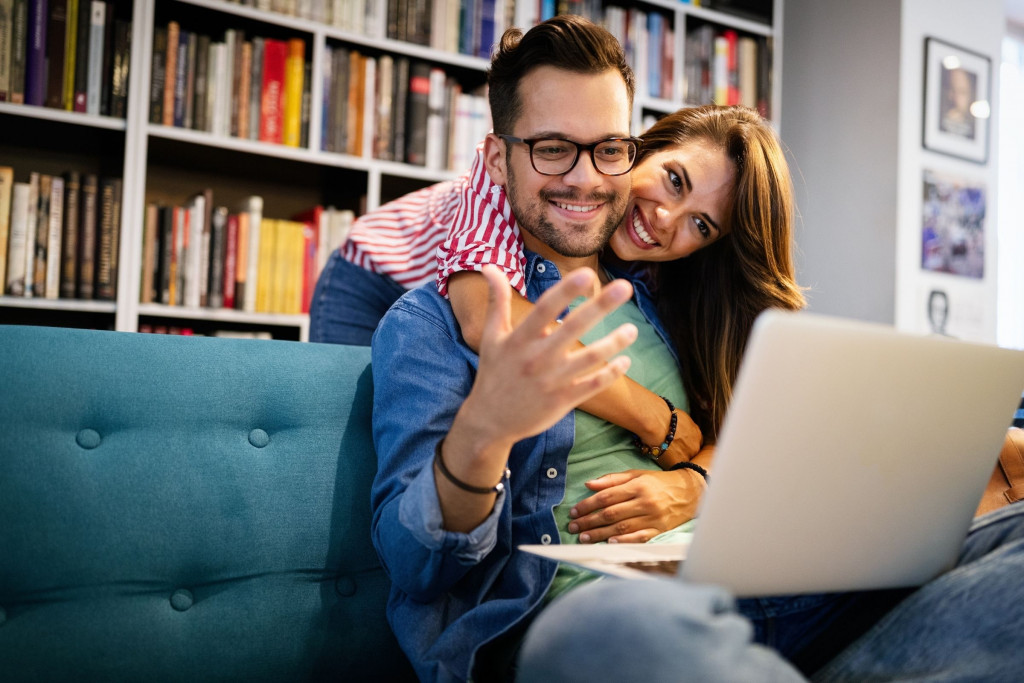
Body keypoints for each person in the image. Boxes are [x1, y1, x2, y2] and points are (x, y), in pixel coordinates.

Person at [369, 15, 803, 681]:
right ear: (496, 157)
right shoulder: (434, 319)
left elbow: (744, 433)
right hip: (595, 613)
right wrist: (483, 432)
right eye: (551, 148)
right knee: (614, 627)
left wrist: (693, 485)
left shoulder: (661, 296)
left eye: (606, 149)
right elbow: (415, 564)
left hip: (749, 578)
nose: (584, 178)